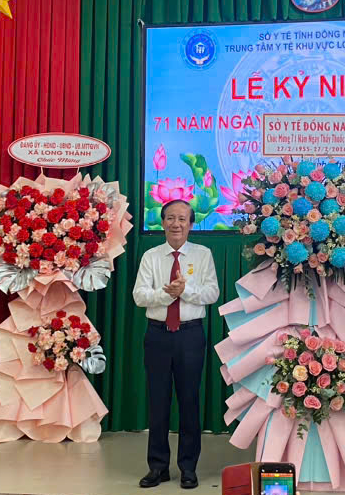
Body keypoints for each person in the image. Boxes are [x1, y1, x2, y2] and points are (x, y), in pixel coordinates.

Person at [132, 200, 219, 490]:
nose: (176, 224)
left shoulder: (203, 254)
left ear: (191, 224)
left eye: (182, 219)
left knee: (189, 402)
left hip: (190, 336)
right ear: (162, 223)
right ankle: (157, 467)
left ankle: (188, 468)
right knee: (157, 402)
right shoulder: (151, 256)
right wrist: (167, 295)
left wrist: (186, 290)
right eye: (170, 218)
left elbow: (212, 293)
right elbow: (139, 296)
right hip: (157, 335)